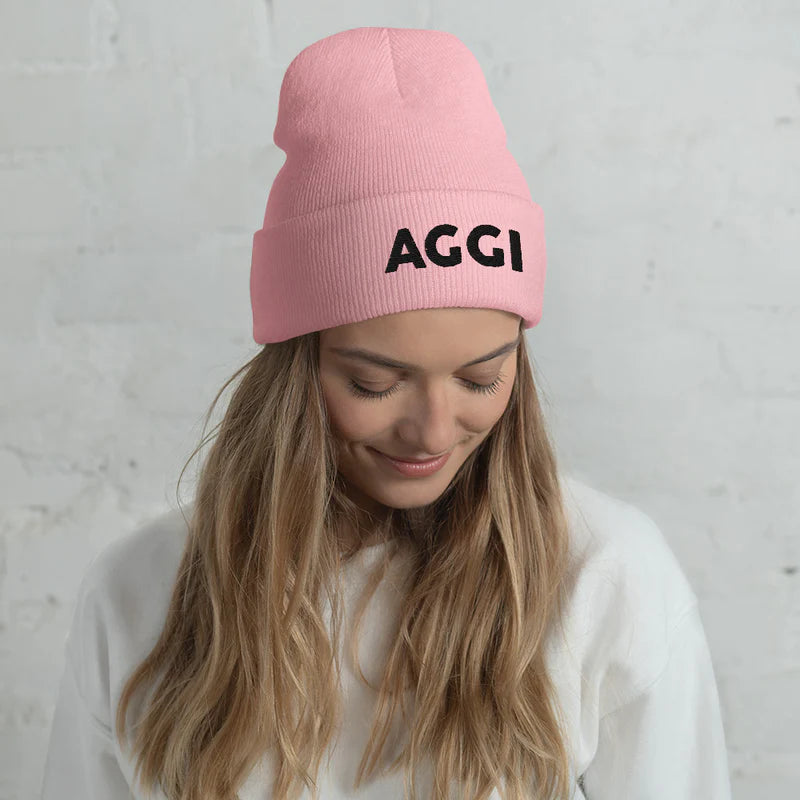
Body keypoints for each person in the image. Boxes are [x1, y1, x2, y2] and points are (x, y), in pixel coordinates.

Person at [40, 26, 733, 800]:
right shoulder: (139, 594)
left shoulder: (607, 580)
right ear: (295, 369)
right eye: (374, 384)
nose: (433, 431)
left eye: (481, 378)